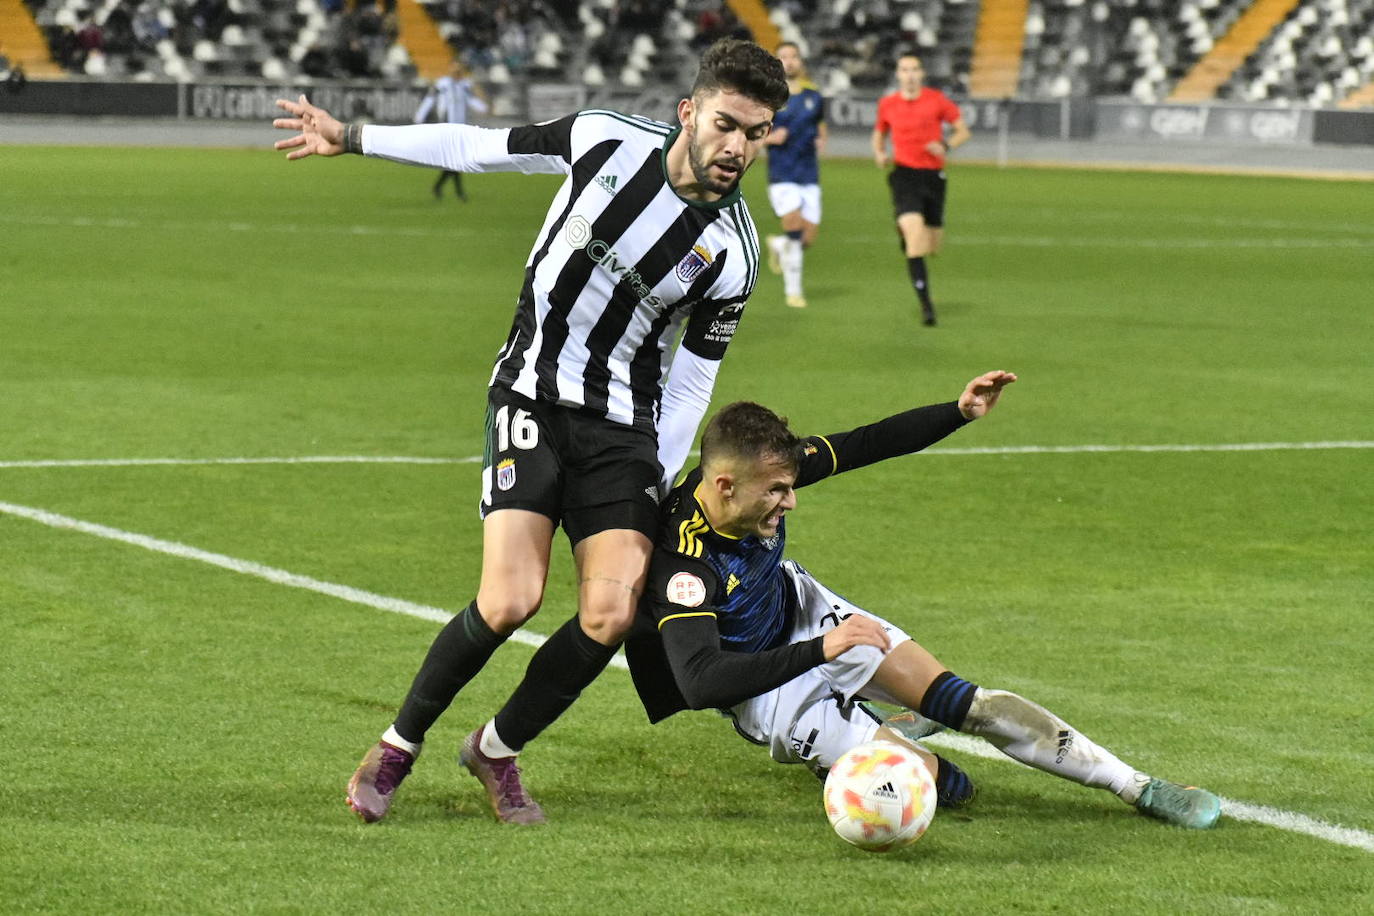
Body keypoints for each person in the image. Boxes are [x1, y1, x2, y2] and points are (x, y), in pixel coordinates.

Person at [272, 38, 788, 826]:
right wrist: (351, 137)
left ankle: (497, 751)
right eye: (727, 124)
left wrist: (658, 473)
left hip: (623, 431)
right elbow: (477, 150)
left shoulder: (734, 256)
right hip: (530, 397)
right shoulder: (604, 141)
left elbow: (692, 378)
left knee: (611, 615)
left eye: (756, 134)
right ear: (689, 111)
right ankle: (397, 746)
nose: (737, 147)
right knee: (511, 598)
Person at [625, 371, 1223, 830]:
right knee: (947, 787)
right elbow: (703, 682)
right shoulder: (682, 562)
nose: (791, 501)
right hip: (766, 693)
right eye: (777, 492)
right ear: (724, 485)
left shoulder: (763, 470)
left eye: (791, 484)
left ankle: (1136, 785)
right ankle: (857, 734)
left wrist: (958, 412)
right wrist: (821, 650)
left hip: (801, 610)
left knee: (968, 704)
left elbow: (868, 442)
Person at [871, 53, 971, 327]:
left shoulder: (936, 100)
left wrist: (947, 145)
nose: (910, 74)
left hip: (934, 177)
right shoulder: (888, 104)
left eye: (915, 69)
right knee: (916, 240)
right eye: (905, 69)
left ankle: (907, 233)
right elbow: (879, 133)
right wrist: (880, 153)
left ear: (922, 73)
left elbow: (963, 130)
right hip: (904, 174)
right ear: (898, 74)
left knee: (932, 245)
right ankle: (927, 305)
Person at [763, 41, 826, 310]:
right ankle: (793, 292)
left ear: (800, 61)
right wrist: (769, 137)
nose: (789, 61)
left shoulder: (814, 95)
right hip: (782, 174)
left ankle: (778, 244)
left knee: (806, 237)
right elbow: (752, 130)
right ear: (777, 63)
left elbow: (820, 125)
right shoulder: (769, 97)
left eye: (793, 56)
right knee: (796, 233)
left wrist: (822, 139)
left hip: (809, 174)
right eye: (784, 57)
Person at [413, 60, 490, 201]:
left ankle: (440, 188)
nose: (457, 73)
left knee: (454, 161)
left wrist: (483, 108)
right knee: (456, 160)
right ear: (450, 70)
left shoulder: (463, 85)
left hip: (460, 128)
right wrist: (420, 115)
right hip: (447, 126)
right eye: (455, 70)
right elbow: (430, 99)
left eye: (459, 70)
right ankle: (459, 193)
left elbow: (470, 100)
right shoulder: (443, 84)